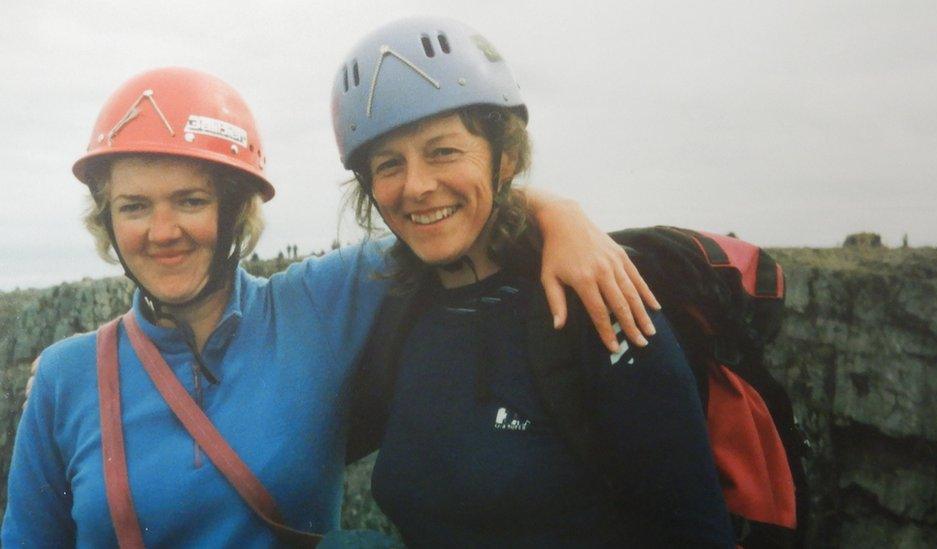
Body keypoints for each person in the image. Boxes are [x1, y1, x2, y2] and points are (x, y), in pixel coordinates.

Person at [2, 67, 656, 545]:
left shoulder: (314, 306)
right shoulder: (66, 377)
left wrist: (557, 214)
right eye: (134, 206)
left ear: (237, 210)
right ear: (107, 220)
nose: (162, 230)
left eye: (192, 200)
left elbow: (433, 215)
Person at [335, 17, 735, 546]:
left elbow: (693, 531)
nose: (417, 186)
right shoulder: (395, 307)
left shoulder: (597, 302)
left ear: (506, 159)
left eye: (444, 151)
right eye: (389, 164)